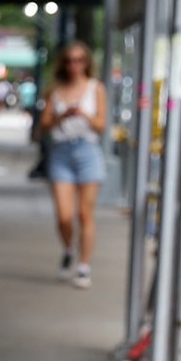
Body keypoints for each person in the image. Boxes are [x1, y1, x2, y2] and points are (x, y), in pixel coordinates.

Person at [39, 40, 108, 288]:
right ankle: (69, 248)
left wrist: (84, 115)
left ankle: (84, 266)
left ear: (87, 63)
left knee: (84, 214)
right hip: (61, 152)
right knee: (64, 216)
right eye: (69, 60)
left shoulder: (95, 88)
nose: (74, 65)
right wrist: (62, 115)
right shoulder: (56, 91)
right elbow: (43, 127)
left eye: (79, 60)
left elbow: (101, 125)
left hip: (87, 151)